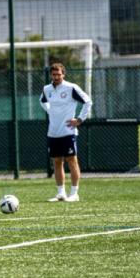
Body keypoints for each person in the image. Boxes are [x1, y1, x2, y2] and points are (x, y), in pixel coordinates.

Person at [40, 63, 92, 202]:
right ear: (51, 75)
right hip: (53, 132)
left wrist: (80, 119)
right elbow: (42, 101)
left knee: (72, 160)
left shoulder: (71, 88)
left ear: (63, 74)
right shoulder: (47, 89)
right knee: (57, 161)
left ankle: (74, 193)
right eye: (54, 74)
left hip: (68, 132)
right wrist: (49, 110)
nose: (56, 77)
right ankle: (61, 193)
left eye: (59, 74)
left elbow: (88, 101)